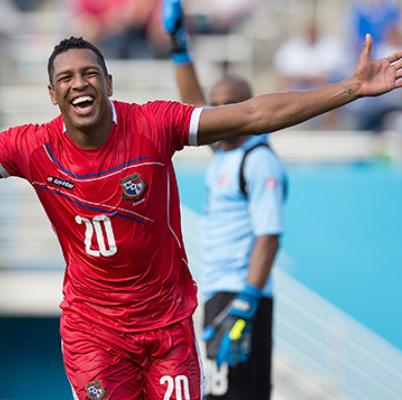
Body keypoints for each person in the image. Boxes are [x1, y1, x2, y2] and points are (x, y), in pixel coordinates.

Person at [0, 30, 402, 398]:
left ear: (108, 84)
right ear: (51, 94)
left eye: (90, 72)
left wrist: (347, 88)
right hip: (94, 332)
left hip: (167, 325)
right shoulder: (31, 146)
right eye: (67, 77)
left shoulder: (154, 127)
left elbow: (251, 114)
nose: (79, 82)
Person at [163, 1, 283, 398]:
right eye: (216, 105)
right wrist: (179, 47)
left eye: (229, 104)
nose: (218, 112)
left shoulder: (258, 160)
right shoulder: (225, 152)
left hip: (240, 297)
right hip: (219, 292)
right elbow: (193, 108)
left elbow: (268, 235)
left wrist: (246, 303)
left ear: (247, 109)